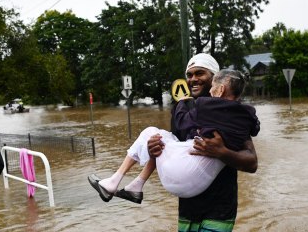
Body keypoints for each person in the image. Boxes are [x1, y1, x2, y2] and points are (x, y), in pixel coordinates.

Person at [147, 53, 258, 232]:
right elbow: (172, 148)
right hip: (189, 202)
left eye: (201, 74)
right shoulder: (182, 109)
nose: (193, 79)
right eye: (190, 74)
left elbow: (252, 162)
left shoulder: (231, 112)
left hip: (220, 205)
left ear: (215, 79)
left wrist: (222, 152)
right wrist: (155, 148)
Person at [88, 69, 260, 203]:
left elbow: (182, 121)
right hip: (200, 183)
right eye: (189, 74)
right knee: (159, 139)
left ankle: (113, 182)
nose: (211, 91)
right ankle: (136, 186)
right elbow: (255, 129)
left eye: (213, 86)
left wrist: (182, 102)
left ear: (221, 89)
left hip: (186, 175)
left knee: (152, 133)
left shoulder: (205, 105)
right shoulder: (248, 114)